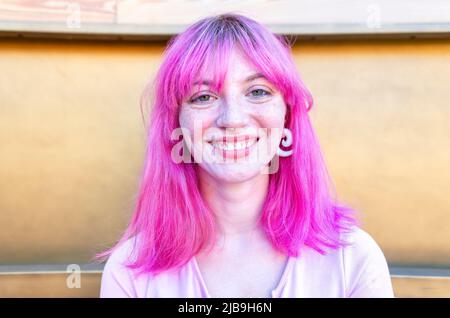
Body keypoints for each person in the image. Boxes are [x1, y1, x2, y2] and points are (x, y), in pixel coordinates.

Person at [97, 13, 394, 298]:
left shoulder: (352, 260)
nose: (233, 119)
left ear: (287, 117)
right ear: (176, 125)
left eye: (258, 91)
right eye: (203, 97)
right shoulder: (128, 273)